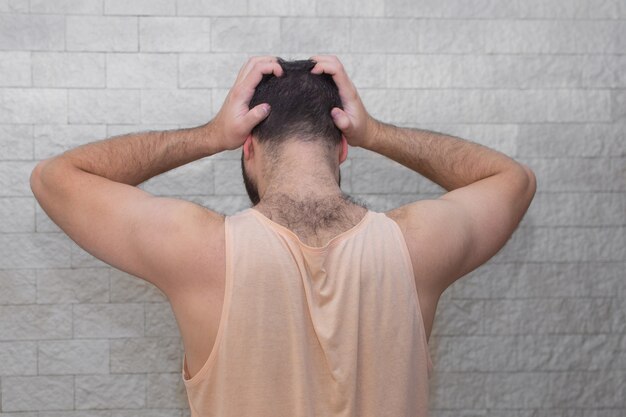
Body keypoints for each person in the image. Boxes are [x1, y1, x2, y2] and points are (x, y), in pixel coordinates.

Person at [30, 55, 536, 416]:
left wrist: (209, 135)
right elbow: (515, 181)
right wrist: (376, 132)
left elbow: (54, 178)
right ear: (342, 148)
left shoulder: (198, 251)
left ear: (247, 147)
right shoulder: (416, 247)